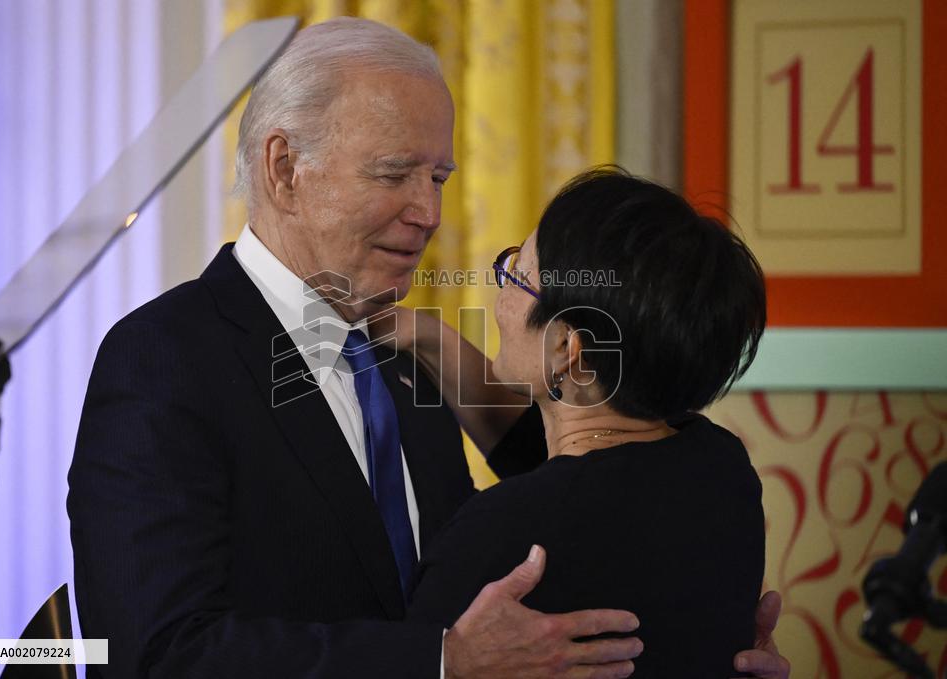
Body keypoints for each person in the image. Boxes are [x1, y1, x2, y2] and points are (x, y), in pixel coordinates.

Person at [67, 17, 789, 679]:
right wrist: (440, 661)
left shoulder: (406, 356)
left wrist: (696, 642)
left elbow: (581, 491)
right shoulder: (162, 361)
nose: (430, 214)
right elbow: (156, 653)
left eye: (438, 178)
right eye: (394, 174)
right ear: (284, 168)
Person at [386, 167, 782, 677]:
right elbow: (572, 469)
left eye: (515, 276)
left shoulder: (503, 534)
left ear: (566, 348)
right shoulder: (722, 468)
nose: (499, 295)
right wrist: (426, 336)